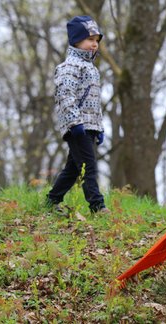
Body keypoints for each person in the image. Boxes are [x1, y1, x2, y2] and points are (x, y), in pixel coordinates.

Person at [46, 15, 110, 215]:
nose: (94, 45)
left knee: (73, 169)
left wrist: (98, 128)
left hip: (89, 126)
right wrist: (75, 124)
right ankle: (98, 207)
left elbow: (94, 104)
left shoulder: (90, 68)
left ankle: (52, 200)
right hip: (77, 127)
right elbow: (65, 96)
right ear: (76, 40)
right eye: (90, 39)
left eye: (97, 41)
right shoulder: (68, 67)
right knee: (88, 167)